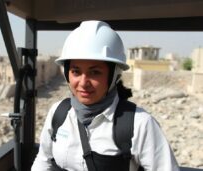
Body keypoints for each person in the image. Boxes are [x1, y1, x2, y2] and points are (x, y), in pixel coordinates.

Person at [31, 20, 179, 171]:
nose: (83, 82)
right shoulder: (59, 113)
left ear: (114, 76)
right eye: (76, 71)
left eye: (95, 72)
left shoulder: (139, 124)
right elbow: (44, 160)